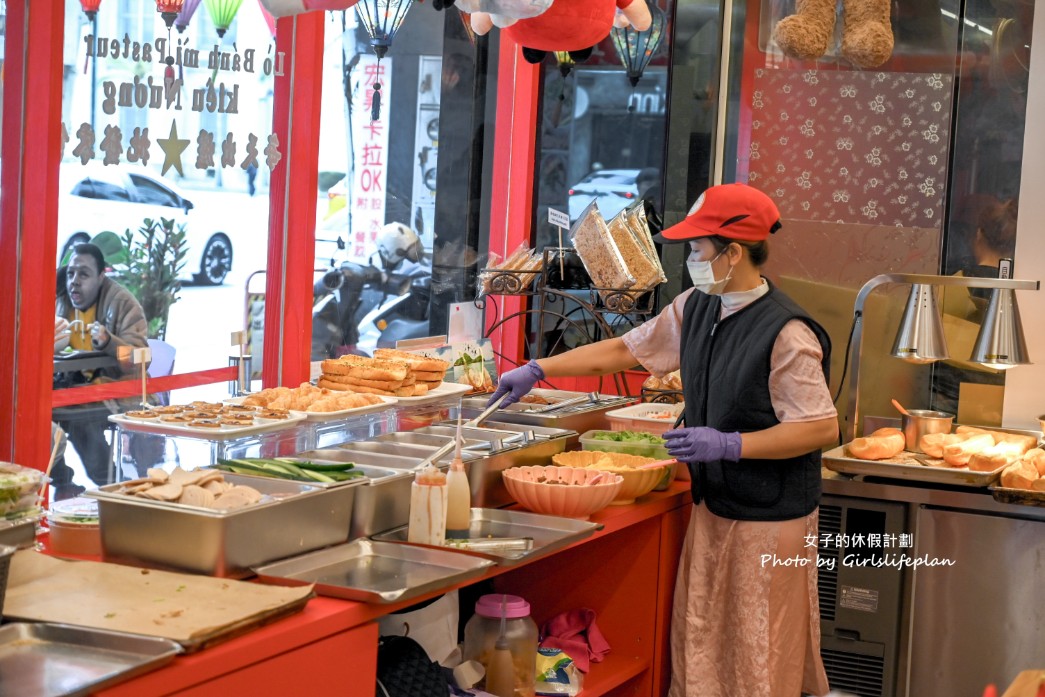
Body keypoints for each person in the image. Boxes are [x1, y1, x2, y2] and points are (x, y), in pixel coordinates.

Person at [488, 183, 836, 697]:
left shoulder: (786, 331)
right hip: (716, 505)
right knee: (704, 639)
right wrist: (538, 368)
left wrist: (730, 445)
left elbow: (819, 427)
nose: (691, 258)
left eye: (697, 248)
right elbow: (625, 351)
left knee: (759, 652)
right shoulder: (697, 305)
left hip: (771, 519)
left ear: (733, 252)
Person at [52, 243, 148, 496]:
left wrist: (109, 342)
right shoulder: (60, 298)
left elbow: (139, 358)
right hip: (70, 388)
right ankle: (63, 483)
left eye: (83, 274)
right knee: (34, 414)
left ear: (101, 276)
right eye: (71, 273)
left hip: (116, 390)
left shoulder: (123, 302)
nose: (74, 281)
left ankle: (113, 488)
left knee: (80, 420)